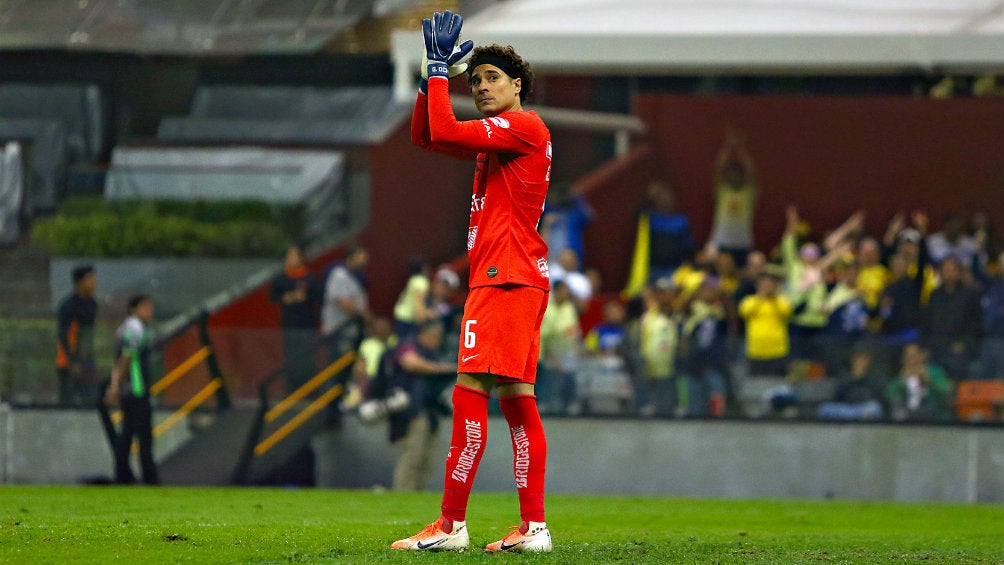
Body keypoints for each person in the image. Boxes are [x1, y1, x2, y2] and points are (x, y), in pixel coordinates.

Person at [394, 12, 553, 553]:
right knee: (516, 401)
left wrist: (441, 70)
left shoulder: (524, 126)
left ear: (517, 86)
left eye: (491, 79)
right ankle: (533, 529)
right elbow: (427, 135)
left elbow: (440, 130)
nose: (481, 87)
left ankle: (451, 525)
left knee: (468, 394)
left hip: (504, 278)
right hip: (514, 277)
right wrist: (428, 79)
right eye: (475, 80)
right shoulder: (500, 139)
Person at [374, 320, 456, 492]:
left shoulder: (432, 353)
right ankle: (403, 492)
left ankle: (417, 493)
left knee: (426, 460)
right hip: (413, 411)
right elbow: (410, 363)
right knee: (413, 456)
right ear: (425, 335)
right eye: (435, 336)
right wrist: (442, 368)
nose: (438, 340)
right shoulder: (409, 346)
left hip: (431, 411)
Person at [105, 294, 159, 485]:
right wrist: (116, 385)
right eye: (145, 306)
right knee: (144, 435)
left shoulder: (125, 327)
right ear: (134, 309)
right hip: (136, 389)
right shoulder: (135, 328)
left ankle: (122, 475)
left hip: (129, 389)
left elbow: (120, 358)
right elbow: (127, 357)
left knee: (127, 433)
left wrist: (116, 385)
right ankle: (150, 478)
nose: (150, 310)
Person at [623, 181, 696, 297]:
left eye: (668, 196)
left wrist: (686, 268)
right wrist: (648, 198)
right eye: (661, 197)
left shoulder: (681, 221)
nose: (666, 200)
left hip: (675, 270)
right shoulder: (651, 219)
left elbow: (688, 248)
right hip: (652, 271)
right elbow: (636, 214)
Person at [269, 244, 322, 393]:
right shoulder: (281, 278)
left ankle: (311, 388)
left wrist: (305, 297)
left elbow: (319, 297)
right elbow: (273, 298)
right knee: (291, 356)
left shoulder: (311, 277)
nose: (291, 259)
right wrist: (288, 297)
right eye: (289, 256)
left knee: (309, 355)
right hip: (289, 324)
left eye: (294, 255)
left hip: (308, 323)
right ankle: (292, 388)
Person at [923, 255, 983, 381]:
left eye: (951, 270)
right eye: (945, 270)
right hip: (936, 346)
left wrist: (963, 343)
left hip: (960, 347)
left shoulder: (971, 294)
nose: (948, 274)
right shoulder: (934, 295)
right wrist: (925, 347)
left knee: (956, 363)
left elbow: (976, 324)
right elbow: (927, 323)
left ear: (959, 272)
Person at [709, 129, 757, 266]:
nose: (734, 177)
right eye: (731, 174)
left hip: (743, 243)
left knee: (740, 275)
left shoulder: (748, 193)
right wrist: (727, 147)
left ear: (742, 176)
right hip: (722, 241)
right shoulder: (723, 192)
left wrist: (741, 149)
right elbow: (718, 169)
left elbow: (752, 171)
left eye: (738, 175)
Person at [56, 264, 98, 406]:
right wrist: (72, 361)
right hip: (69, 362)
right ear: (79, 282)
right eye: (90, 278)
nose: (94, 282)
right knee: (68, 401)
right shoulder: (69, 305)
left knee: (91, 399)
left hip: (87, 360)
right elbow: (63, 334)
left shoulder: (92, 304)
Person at [321, 245, 369, 363]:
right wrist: (365, 315)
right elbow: (344, 303)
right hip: (340, 329)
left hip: (351, 328)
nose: (365, 258)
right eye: (361, 255)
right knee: (341, 363)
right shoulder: (339, 275)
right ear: (352, 257)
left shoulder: (354, 275)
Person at [738, 272, 792, 377]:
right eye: (764, 284)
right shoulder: (749, 300)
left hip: (778, 350)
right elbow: (745, 312)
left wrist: (774, 297)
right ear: (758, 285)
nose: (767, 286)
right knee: (757, 384)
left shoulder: (781, 300)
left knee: (777, 382)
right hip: (756, 350)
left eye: (769, 284)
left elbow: (786, 312)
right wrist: (761, 297)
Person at [885, 342, 953, 422]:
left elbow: (946, 391)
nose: (910, 359)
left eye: (913, 356)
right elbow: (889, 394)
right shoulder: (899, 374)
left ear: (922, 356)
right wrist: (901, 382)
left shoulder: (934, 371)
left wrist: (927, 380)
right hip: (907, 411)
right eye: (907, 356)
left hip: (932, 409)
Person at [817, 345, 885, 421]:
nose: (860, 362)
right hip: (846, 409)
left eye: (863, 359)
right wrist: (853, 378)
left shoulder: (873, 378)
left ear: (867, 361)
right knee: (824, 408)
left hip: (863, 408)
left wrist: (861, 377)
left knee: (875, 407)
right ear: (852, 360)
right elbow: (836, 397)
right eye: (857, 358)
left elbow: (876, 398)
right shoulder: (845, 377)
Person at [393, 256, 436, 339]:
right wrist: (423, 318)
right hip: (407, 317)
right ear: (424, 268)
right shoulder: (422, 282)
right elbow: (419, 302)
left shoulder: (413, 279)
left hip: (400, 313)